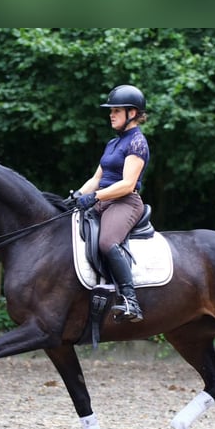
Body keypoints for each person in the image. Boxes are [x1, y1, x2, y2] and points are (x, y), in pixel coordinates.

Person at [74, 84, 150, 323]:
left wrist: (95, 197)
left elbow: (128, 184)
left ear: (133, 113)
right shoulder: (112, 144)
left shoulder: (137, 142)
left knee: (107, 242)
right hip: (103, 201)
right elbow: (97, 179)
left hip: (125, 202)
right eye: (111, 110)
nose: (111, 114)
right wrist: (76, 196)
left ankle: (130, 300)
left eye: (116, 110)